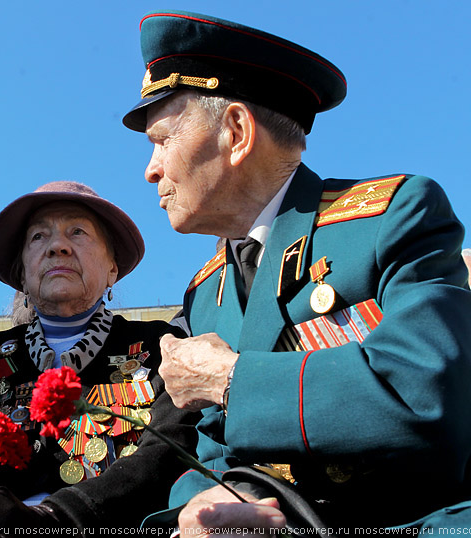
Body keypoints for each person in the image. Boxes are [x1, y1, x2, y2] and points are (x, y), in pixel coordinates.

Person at [121, 10, 471, 531]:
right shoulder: (205, 292)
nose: (150, 169)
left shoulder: (392, 216)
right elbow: (214, 449)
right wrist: (205, 502)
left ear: (237, 132)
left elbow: (429, 396)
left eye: (162, 139)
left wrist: (232, 378)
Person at [0, 181, 198, 532]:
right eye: (38, 237)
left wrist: (54, 516)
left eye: (77, 232)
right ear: (21, 273)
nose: (57, 247)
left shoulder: (158, 345)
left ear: (113, 268)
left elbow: (170, 453)